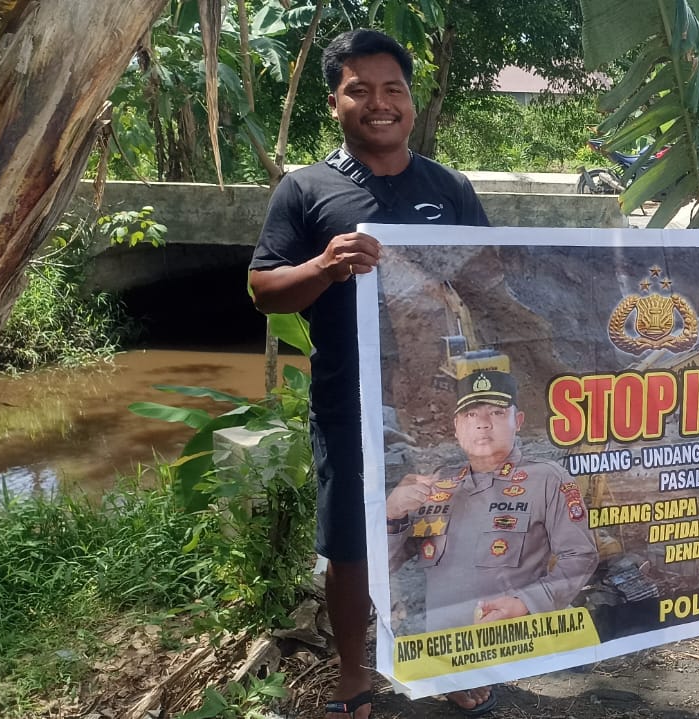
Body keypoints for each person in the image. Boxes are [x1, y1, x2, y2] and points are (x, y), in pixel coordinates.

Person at [247, 29, 491, 718]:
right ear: (335, 102)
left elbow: (490, 279)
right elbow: (264, 291)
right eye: (360, 90)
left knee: (450, 532)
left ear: (411, 100)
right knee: (352, 545)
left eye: (393, 89)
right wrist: (323, 266)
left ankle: (451, 659)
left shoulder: (450, 189)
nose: (379, 103)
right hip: (348, 402)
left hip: (439, 401)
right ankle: (355, 675)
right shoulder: (304, 190)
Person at [385, 368, 599, 637]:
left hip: (514, 643)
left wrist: (526, 603)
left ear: (518, 421)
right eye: (470, 414)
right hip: (442, 650)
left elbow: (581, 555)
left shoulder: (546, 478)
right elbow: (384, 567)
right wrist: (392, 515)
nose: (482, 423)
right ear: (457, 426)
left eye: (497, 412)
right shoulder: (437, 484)